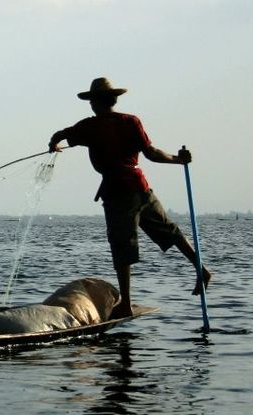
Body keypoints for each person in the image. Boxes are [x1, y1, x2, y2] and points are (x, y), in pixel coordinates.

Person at [48, 77, 211, 319]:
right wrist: (178, 160)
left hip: (118, 193)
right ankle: (202, 269)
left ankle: (125, 303)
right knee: (171, 231)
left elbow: (60, 134)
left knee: (121, 246)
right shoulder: (130, 121)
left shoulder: (91, 126)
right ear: (113, 100)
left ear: (94, 103)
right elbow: (152, 153)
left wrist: (54, 145)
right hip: (141, 188)